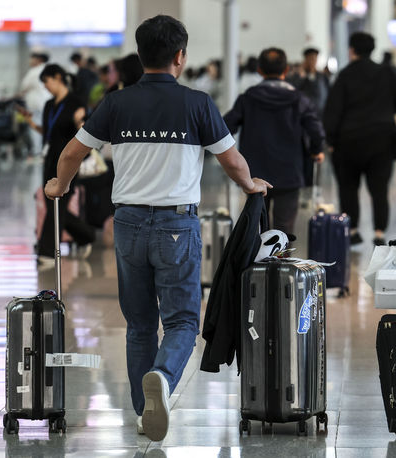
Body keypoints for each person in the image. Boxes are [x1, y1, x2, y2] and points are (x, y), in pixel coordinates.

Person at [42, 15, 270, 442]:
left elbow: (71, 152)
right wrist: (249, 184)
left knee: (140, 324)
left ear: (141, 54)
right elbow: (233, 161)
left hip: (127, 222)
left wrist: (60, 185)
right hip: (176, 224)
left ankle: (140, 413)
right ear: (180, 57)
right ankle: (163, 378)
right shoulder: (198, 104)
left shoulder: (116, 103)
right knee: (182, 320)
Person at [224, 47, 325, 235]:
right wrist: (316, 151)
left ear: (260, 71)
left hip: (255, 174)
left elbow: (224, 128)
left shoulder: (248, 98)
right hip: (290, 172)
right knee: (284, 228)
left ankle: (258, 263)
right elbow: (316, 130)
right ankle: (282, 262)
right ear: (286, 70)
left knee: (258, 226)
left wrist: (229, 155)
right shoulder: (298, 99)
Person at [323, 32, 396, 246]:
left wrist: (331, 141)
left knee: (348, 187)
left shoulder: (345, 75)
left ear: (352, 50)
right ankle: (379, 233)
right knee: (379, 189)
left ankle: (352, 231)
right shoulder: (386, 73)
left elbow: (332, 111)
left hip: (348, 142)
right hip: (381, 140)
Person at [24, 64, 96, 268]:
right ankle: (86, 235)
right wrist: (31, 124)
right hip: (49, 161)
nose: (45, 87)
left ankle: (46, 253)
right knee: (54, 206)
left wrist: (80, 123)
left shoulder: (76, 103)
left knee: (57, 206)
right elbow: (48, 133)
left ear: (58, 77)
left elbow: (84, 134)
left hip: (68, 163)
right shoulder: (49, 105)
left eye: (46, 82)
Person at [18, 52, 51, 157]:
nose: (30, 61)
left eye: (32, 59)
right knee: (44, 127)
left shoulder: (34, 71)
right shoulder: (47, 69)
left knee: (35, 128)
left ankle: (37, 151)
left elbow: (24, 86)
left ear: (38, 60)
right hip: (45, 103)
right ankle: (43, 150)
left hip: (35, 105)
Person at [290, 48, 330, 117]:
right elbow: (294, 89)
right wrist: (302, 75)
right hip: (305, 114)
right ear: (305, 60)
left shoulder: (322, 76)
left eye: (315, 59)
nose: (313, 62)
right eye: (311, 59)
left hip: (322, 114)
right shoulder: (300, 76)